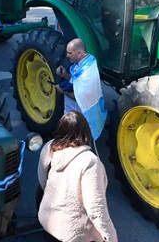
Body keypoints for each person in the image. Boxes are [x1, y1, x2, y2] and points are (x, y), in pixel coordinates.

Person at [37, 111, 118, 242]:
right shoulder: (89, 162)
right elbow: (96, 209)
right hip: (73, 235)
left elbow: (42, 180)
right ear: (85, 133)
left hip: (48, 223)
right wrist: (111, 237)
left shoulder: (49, 147)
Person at [55, 38, 106, 143]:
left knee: (81, 139)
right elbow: (76, 81)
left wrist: (61, 90)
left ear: (79, 53)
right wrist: (65, 74)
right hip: (73, 109)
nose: (67, 56)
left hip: (82, 114)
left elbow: (79, 97)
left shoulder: (87, 72)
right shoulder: (86, 62)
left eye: (70, 53)